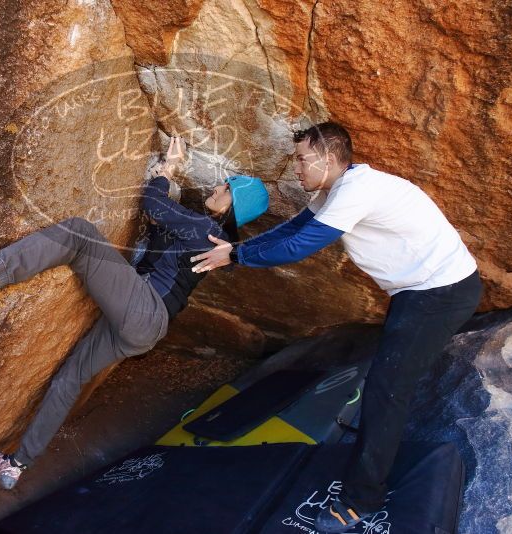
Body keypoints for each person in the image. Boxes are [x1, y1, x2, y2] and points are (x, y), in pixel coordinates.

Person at [0, 137, 269, 489]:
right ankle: (18, 464)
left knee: (80, 233)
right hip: (144, 328)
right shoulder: (209, 234)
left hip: (144, 310)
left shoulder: (206, 230)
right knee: (70, 379)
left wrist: (169, 168)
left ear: (233, 202)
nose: (218, 187)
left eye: (226, 188)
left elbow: (152, 201)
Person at [190, 122, 482, 533]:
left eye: (303, 159)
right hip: (417, 292)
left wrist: (235, 259)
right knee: (388, 384)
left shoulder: (357, 190)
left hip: (441, 291)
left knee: (386, 390)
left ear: (328, 159)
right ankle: (369, 473)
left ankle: (362, 497)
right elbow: (293, 229)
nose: (297, 168)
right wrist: (238, 249)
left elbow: (301, 245)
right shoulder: (336, 190)